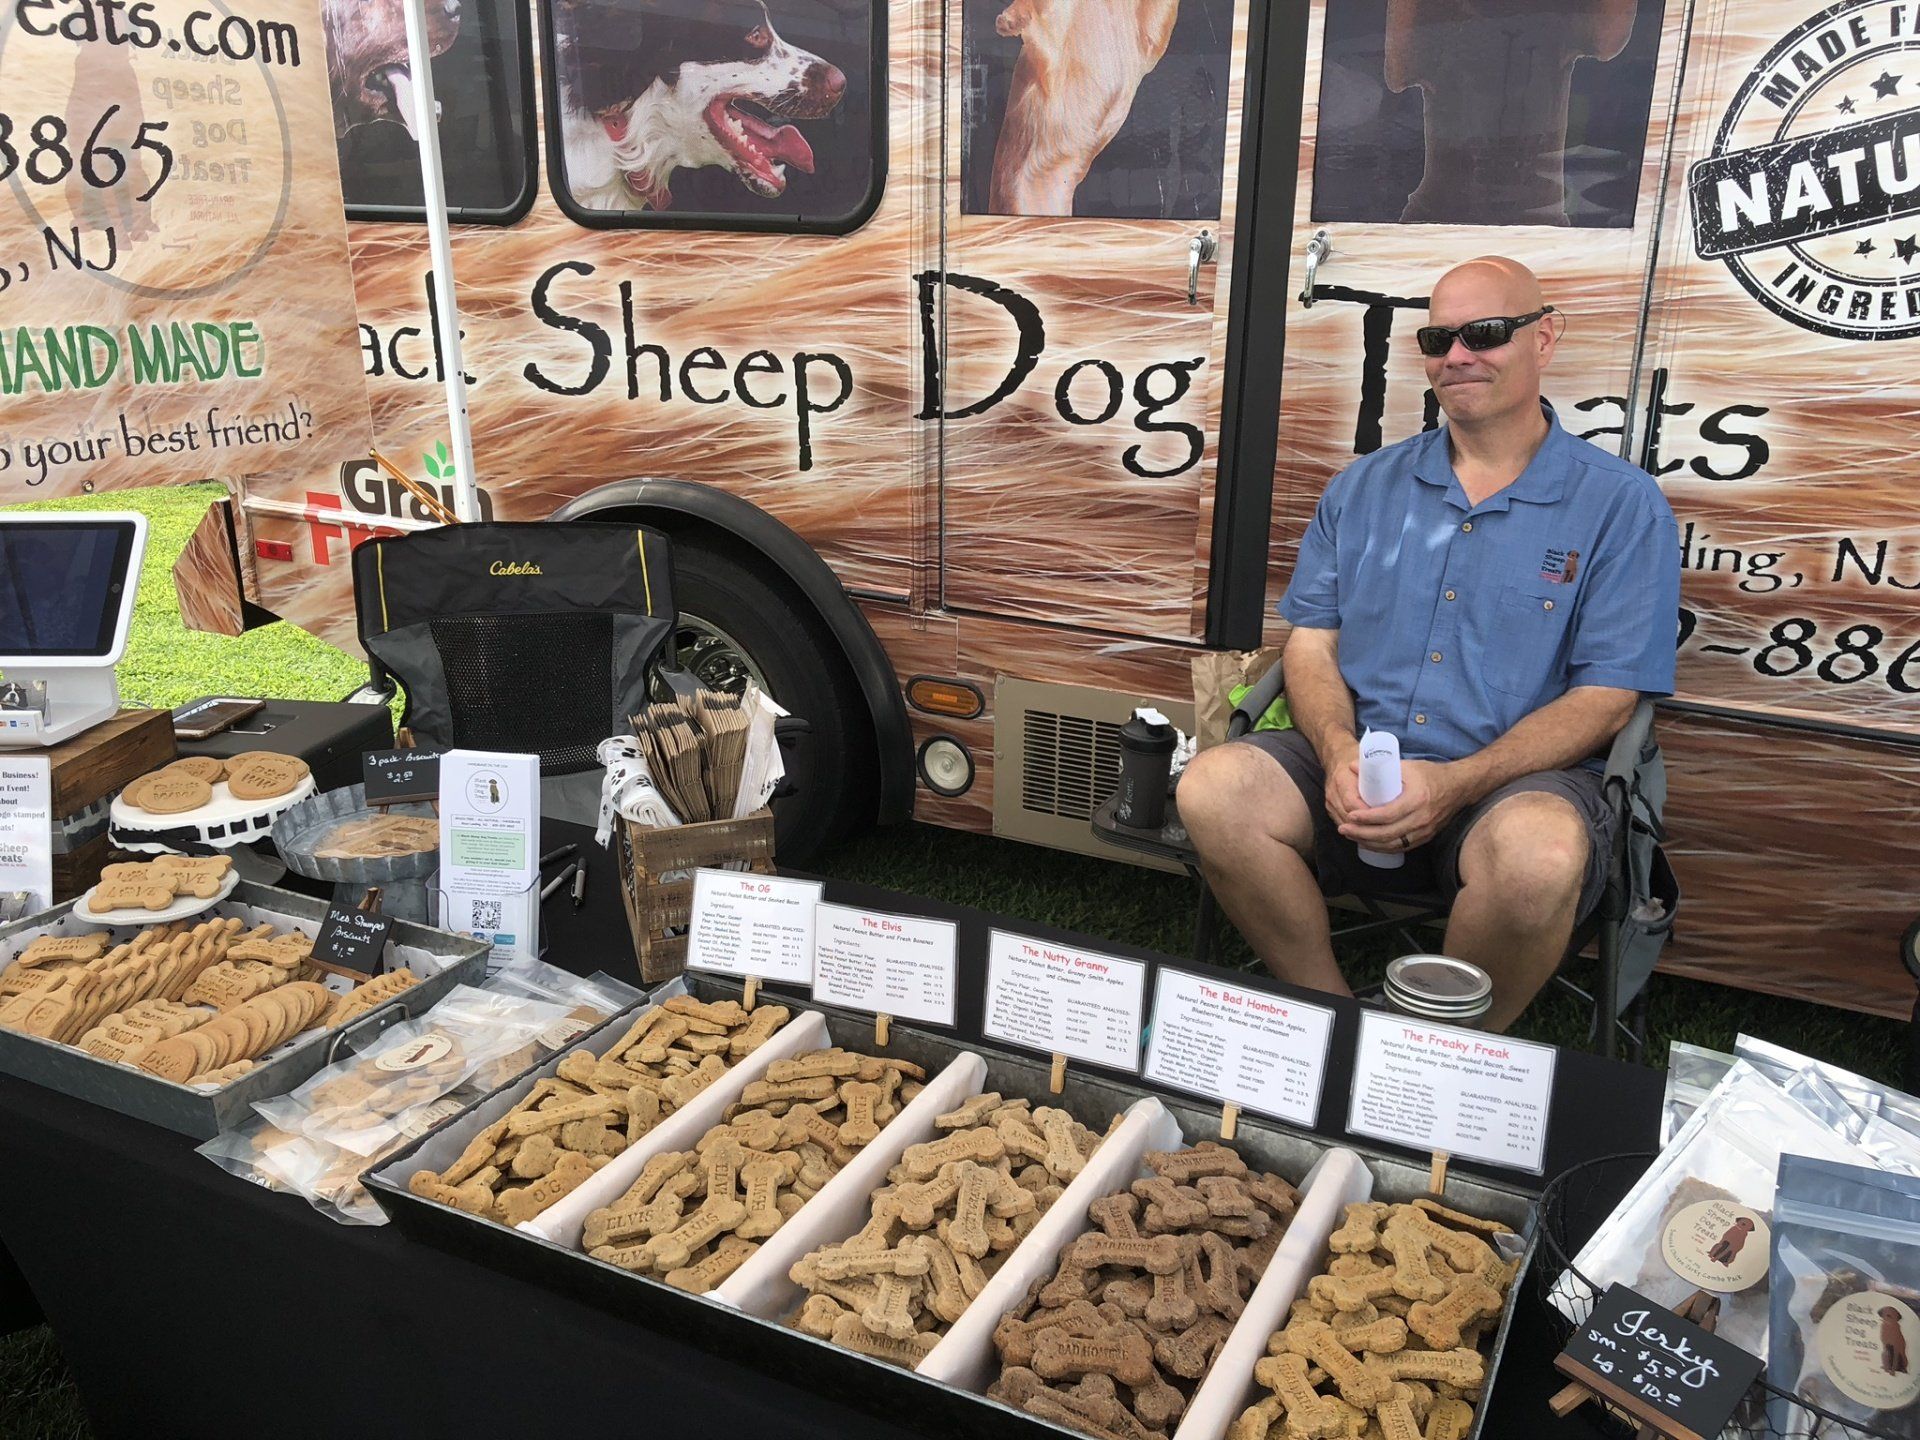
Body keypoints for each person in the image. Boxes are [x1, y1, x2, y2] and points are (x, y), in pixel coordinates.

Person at [1180, 256, 1679, 1031]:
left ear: (1545, 339)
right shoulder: (1364, 486)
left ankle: (1438, 1056)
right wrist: (1341, 751)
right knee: (1213, 789)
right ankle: (1330, 1025)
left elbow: (1609, 697)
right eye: (1438, 337)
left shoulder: (1620, 506)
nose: (1457, 355)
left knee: (1538, 855)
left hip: (1516, 783)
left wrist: (1460, 782)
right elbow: (1310, 646)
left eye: (1484, 333)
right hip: (1358, 769)